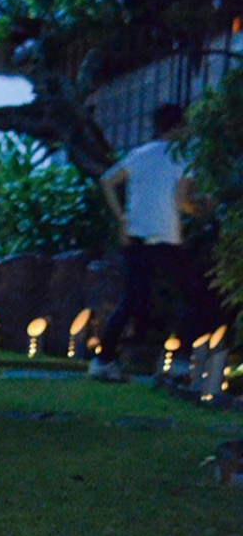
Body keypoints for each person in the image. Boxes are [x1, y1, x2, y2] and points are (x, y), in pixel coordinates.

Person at [90, 102, 197, 381]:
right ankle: (182, 361)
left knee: (132, 300)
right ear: (176, 127)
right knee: (189, 295)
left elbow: (107, 181)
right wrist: (201, 209)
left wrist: (121, 217)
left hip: (137, 235)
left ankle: (103, 361)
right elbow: (180, 201)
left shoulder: (140, 153)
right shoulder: (183, 155)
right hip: (166, 236)